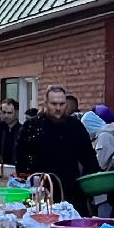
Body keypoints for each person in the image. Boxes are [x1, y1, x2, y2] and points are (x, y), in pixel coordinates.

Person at [16, 85, 100, 214]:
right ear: (45, 103)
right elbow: (21, 158)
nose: (58, 108)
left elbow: (88, 158)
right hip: (41, 191)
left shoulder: (75, 126)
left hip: (71, 190)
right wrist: (28, 183)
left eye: (61, 104)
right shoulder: (32, 127)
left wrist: (91, 181)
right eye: (54, 104)